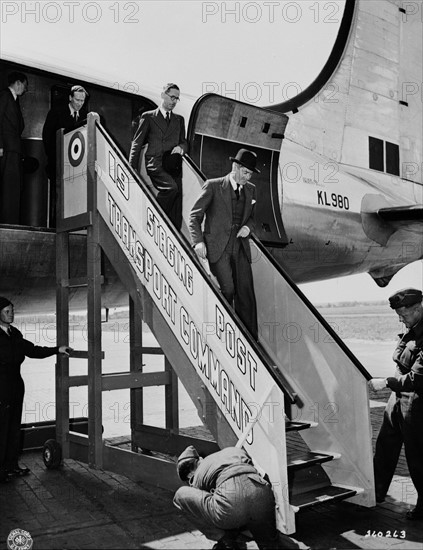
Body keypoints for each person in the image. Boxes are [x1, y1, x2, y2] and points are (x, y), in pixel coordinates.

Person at [173, 445, 307, 550]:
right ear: (199, 458)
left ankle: (227, 541)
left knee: (180, 496)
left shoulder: (196, 476)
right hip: (261, 493)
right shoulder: (231, 451)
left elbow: (201, 510)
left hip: (232, 504)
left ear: (190, 475)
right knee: (269, 542)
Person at [0, 297, 72, 483]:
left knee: (14, 427)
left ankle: (11, 466)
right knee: (2, 427)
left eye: (12, 311)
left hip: (16, 385)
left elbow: (33, 350)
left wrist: (57, 349)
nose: (11, 314)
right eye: (7, 311)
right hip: (1, 386)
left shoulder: (15, 334)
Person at [189, 149, 259, 340]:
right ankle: (222, 337)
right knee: (227, 290)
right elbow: (194, 216)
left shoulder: (250, 189)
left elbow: (253, 219)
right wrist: (198, 242)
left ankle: (250, 341)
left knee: (246, 294)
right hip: (218, 248)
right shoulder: (213, 186)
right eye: (245, 172)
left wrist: (248, 228)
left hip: (240, 247)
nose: (248, 177)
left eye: (250, 174)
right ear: (235, 167)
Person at [369, 288, 423, 520]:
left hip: (416, 402)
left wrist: (386, 382)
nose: (401, 319)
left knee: (417, 456)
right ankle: (374, 493)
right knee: (384, 447)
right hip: (397, 399)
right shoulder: (412, 330)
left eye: (404, 314)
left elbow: (417, 379)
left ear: (418, 308)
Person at [129, 83, 188, 230]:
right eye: (172, 97)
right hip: (155, 163)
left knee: (176, 206)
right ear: (163, 95)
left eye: (177, 99)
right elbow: (137, 143)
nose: (174, 101)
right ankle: (152, 218)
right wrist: (131, 168)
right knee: (171, 189)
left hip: (173, 165)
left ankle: (170, 232)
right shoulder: (148, 117)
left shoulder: (179, 120)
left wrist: (181, 148)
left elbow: (185, 142)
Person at [42, 84, 88, 226]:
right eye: (77, 100)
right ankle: (56, 226)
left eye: (82, 101)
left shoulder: (85, 117)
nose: (80, 104)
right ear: (70, 98)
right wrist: (55, 159)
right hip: (58, 164)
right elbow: (47, 136)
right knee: (58, 197)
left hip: (75, 167)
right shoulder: (56, 112)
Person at [0, 71, 28, 225]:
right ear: (18, 83)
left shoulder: (13, 99)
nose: (24, 90)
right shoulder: (5, 96)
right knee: (9, 187)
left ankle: (9, 221)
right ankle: (8, 222)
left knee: (12, 187)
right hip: (8, 148)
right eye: (24, 86)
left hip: (13, 149)